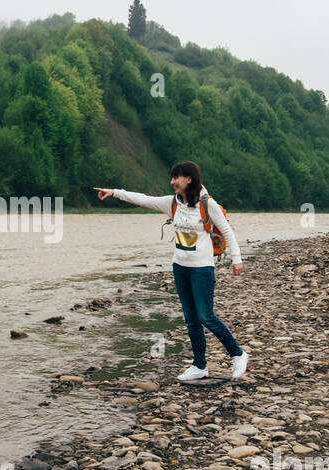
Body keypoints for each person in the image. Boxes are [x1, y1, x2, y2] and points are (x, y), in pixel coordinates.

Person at [94, 160, 248, 381]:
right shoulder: (172, 203)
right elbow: (144, 199)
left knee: (206, 316)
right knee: (191, 319)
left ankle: (238, 354)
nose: (172, 182)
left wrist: (237, 260)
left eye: (177, 177)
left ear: (189, 179)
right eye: (172, 177)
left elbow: (227, 230)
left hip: (202, 268)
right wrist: (115, 192)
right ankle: (199, 365)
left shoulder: (207, 204)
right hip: (180, 268)